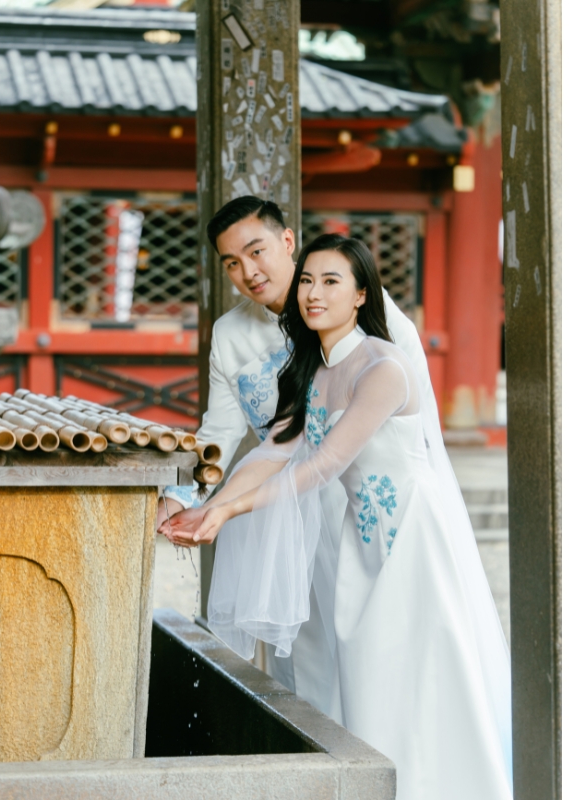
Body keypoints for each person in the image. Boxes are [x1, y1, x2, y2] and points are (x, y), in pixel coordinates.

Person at [164, 234, 512, 799]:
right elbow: (273, 452)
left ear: (360, 296)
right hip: (359, 539)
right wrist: (208, 505)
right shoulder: (313, 373)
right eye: (307, 281)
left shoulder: (383, 366)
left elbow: (322, 465)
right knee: (366, 674)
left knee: (419, 667)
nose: (312, 292)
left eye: (331, 282)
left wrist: (230, 509)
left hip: (410, 536)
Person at [156, 196, 430, 698]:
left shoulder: (358, 307)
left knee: (376, 651)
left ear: (287, 241)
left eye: (257, 251)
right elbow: (221, 433)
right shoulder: (231, 334)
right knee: (304, 663)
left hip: (364, 499)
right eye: (232, 263)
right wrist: (184, 497)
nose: (248, 271)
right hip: (281, 505)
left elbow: (415, 414)